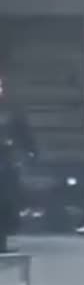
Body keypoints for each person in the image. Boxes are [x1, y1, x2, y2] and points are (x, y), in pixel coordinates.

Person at [0, 73, 35, 253]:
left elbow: (23, 136)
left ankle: (2, 242)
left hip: (5, 165)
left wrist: (27, 154)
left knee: (5, 204)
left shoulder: (10, 111)